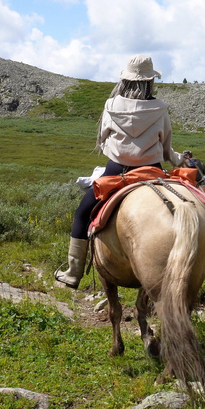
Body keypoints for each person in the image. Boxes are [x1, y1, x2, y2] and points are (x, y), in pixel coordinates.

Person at [55, 54, 186, 288]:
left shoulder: (111, 105)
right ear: (149, 81)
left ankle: (73, 272)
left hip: (116, 172)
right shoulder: (160, 109)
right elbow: (166, 150)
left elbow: (103, 139)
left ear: (125, 80)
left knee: (83, 212)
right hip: (151, 172)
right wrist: (179, 160)